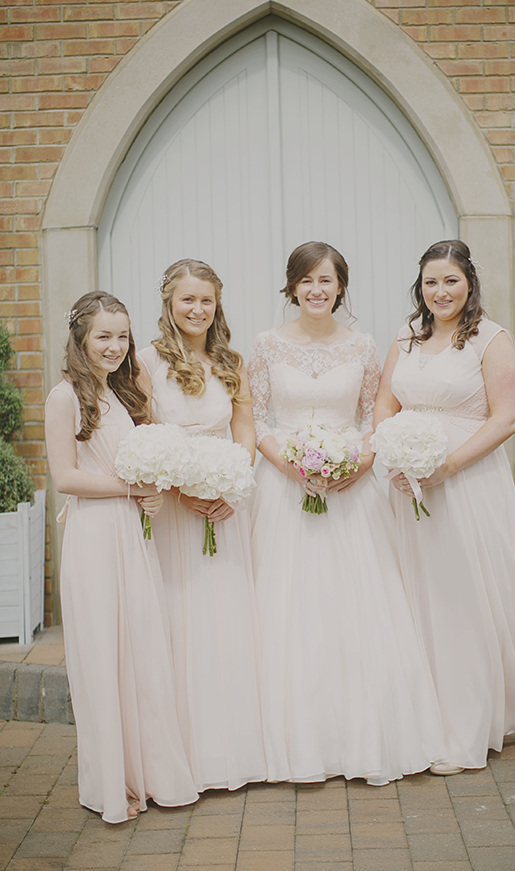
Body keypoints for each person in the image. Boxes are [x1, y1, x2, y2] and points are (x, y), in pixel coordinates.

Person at [375, 239, 515, 773]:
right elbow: (384, 402)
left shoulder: (490, 339)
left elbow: (505, 419)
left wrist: (444, 467)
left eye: (450, 280)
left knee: (459, 601)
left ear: (469, 282)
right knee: (410, 598)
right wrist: (391, 451)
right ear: (419, 287)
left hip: (464, 484)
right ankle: (421, 719)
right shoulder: (405, 336)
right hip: (405, 486)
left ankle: (465, 731)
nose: (439, 292)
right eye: (430, 282)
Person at [248, 241, 446, 785]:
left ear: (341, 288)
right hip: (284, 489)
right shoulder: (265, 345)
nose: (316, 290)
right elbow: (258, 421)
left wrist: (357, 465)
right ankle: (288, 740)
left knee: (356, 608)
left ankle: (363, 735)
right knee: (286, 610)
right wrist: (291, 469)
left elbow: (371, 417)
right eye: (306, 281)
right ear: (291, 287)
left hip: (350, 487)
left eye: (327, 281)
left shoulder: (362, 346)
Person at [45, 290, 198, 823]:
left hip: (134, 536)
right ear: (81, 338)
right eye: (103, 336)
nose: (114, 346)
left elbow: (133, 470)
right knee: (103, 659)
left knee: (140, 653)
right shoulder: (65, 397)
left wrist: (151, 490)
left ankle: (146, 775)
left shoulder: (125, 393)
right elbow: (65, 477)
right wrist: (131, 489)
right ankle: (111, 786)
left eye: (122, 336)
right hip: (93, 539)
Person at [138, 259, 266, 792]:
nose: (197, 310)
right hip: (172, 512)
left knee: (224, 623)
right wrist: (177, 486)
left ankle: (230, 751)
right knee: (175, 623)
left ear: (218, 305)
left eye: (206, 301)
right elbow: (143, 433)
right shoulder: (144, 362)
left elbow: (246, 432)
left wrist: (233, 486)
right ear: (169, 304)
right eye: (187, 300)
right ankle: (179, 753)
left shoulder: (231, 361)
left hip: (223, 509)